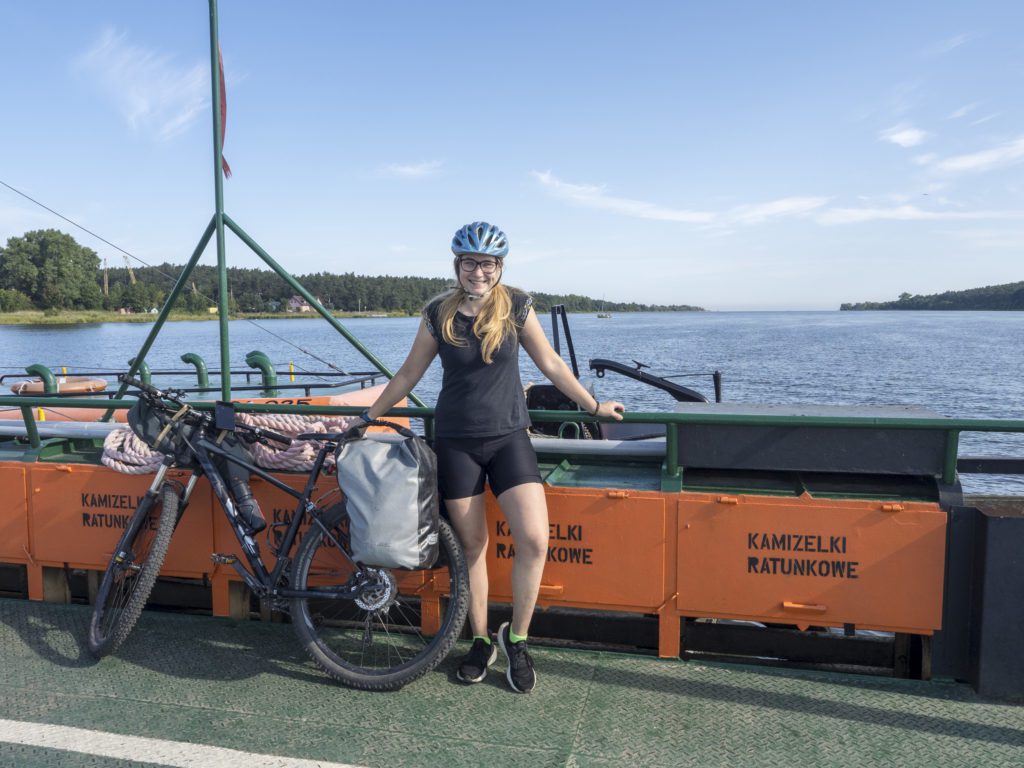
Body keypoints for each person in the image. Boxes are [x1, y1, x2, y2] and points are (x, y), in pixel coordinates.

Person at [344, 221, 624, 693]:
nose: (479, 271)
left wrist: (593, 407)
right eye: (470, 262)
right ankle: (479, 640)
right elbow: (410, 373)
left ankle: (516, 638)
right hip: (456, 442)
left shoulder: (516, 305)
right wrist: (367, 415)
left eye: (487, 263)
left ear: (500, 268)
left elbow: (551, 363)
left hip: (509, 438)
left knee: (535, 539)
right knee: (472, 547)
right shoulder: (439, 313)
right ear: (457, 266)